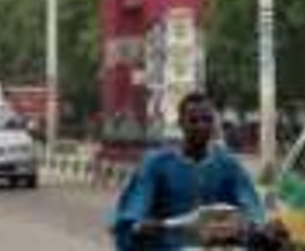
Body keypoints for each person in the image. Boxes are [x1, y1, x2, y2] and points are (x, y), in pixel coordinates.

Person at [110, 92, 286, 250]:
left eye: (207, 120)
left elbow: (248, 200)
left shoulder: (228, 164)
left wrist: (260, 225)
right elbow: (137, 203)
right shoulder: (156, 163)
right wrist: (138, 225)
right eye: (193, 120)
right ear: (180, 123)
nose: (201, 126)